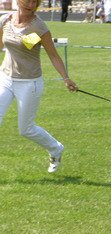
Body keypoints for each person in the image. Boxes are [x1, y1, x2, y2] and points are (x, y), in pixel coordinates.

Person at [0, 0, 78, 173]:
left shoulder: (39, 27)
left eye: (34, 1)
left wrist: (66, 78)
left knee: (26, 129)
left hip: (29, 83)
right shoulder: (5, 20)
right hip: (4, 78)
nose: (30, 4)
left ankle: (56, 148)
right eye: (27, 0)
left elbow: (54, 56)